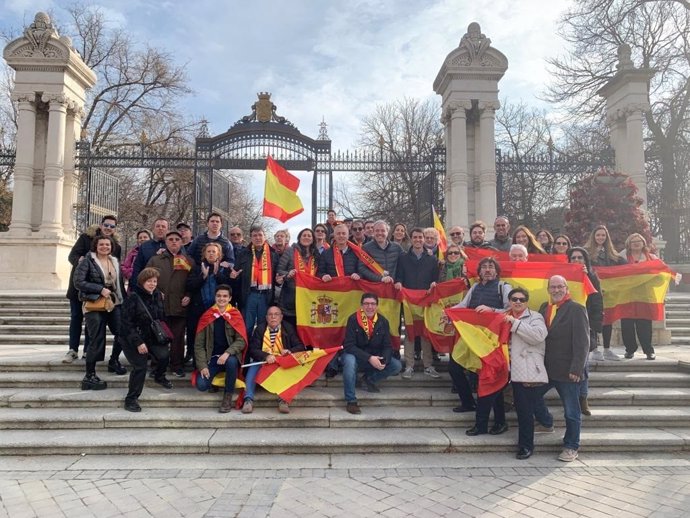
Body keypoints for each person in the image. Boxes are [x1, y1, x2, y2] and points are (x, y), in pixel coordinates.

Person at [450, 257, 512, 414]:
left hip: (489, 340)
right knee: (454, 367)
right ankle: (468, 402)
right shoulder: (475, 286)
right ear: (479, 272)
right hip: (471, 336)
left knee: (484, 374)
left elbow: (509, 310)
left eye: (491, 267)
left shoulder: (503, 287)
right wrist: (448, 313)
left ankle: (489, 409)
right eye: (484, 267)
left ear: (497, 271)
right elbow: (463, 305)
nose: (487, 270)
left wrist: (491, 309)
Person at [539, 275, 590, 462]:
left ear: (567, 288)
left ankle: (571, 446)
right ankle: (547, 422)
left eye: (560, 286)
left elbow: (583, 342)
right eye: (553, 287)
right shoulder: (545, 308)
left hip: (569, 371)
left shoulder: (576, 309)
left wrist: (577, 368)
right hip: (546, 369)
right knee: (531, 397)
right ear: (548, 289)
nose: (556, 290)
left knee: (571, 411)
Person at [64, 215, 123, 364]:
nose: (108, 228)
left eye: (112, 226)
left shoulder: (116, 246)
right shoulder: (86, 238)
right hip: (81, 288)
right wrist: (81, 261)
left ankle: (88, 350)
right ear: (101, 225)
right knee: (77, 317)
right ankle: (72, 350)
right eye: (106, 225)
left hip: (100, 292)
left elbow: (114, 268)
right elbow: (73, 255)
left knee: (94, 320)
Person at [73, 235, 126, 390]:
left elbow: (119, 285)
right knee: (97, 338)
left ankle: (114, 360)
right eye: (101, 244)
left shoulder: (114, 261)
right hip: (94, 303)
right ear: (95, 246)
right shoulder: (87, 261)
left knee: (122, 333)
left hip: (113, 302)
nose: (104, 247)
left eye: (107, 244)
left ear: (112, 246)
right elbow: (78, 282)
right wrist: (99, 289)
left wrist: (124, 300)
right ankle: (89, 375)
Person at [505, 287, 549, 459]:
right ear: (509, 301)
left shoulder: (535, 317)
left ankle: (526, 446)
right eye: (514, 299)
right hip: (505, 367)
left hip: (526, 368)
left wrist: (515, 323)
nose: (517, 302)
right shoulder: (503, 315)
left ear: (526, 302)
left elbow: (538, 336)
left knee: (524, 410)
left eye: (521, 300)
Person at [119, 268, 172, 412]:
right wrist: (138, 342)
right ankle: (131, 398)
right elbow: (126, 324)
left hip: (152, 335)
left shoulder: (157, 296)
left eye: (154, 281)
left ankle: (158, 375)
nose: (152, 284)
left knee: (164, 356)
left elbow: (161, 317)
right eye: (149, 281)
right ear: (142, 282)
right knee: (140, 366)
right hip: (132, 338)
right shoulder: (133, 298)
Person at [147, 231, 198, 377]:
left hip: (179, 305)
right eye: (170, 239)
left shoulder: (188, 260)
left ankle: (177, 365)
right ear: (166, 242)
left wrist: (189, 295)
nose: (174, 242)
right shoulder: (155, 260)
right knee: (158, 336)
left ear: (182, 242)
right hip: (159, 306)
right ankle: (157, 365)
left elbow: (193, 282)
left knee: (178, 338)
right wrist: (156, 292)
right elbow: (145, 278)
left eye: (177, 239)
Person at [342, 293, 402, 414]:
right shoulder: (353, 319)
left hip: (374, 357)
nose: (370, 307)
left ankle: (368, 379)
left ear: (377, 306)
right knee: (348, 361)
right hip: (357, 357)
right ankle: (351, 401)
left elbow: (387, 346)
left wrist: (383, 359)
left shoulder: (383, 321)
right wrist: (369, 358)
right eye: (366, 304)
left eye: (373, 304)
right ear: (362, 306)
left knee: (396, 365)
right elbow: (349, 346)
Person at [241, 306, 306, 414]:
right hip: (264, 361)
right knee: (252, 368)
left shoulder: (288, 328)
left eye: (276, 314)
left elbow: (300, 346)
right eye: (270, 315)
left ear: (281, 317)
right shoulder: (260, 329)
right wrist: (265, 356)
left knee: (286, 371)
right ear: (266, 317)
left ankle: (283, 400)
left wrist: (289, 351)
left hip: (281, 361)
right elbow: (253, 349)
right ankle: (248, 400)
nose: (273, 317)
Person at [194, 284, 248, 413]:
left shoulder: (235, 314)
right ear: (215, 297)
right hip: (212, 358)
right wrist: (202, 366)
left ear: (230, 298)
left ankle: (227, 396)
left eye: (225, 296)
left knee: (230, 362)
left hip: (230, 357)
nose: (221, 299)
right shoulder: (207, 316)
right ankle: (214, 381)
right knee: (201, 385)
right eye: (218, 296)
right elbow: (199, 345)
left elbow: (241, 341)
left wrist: (228, 353)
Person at [395, 228, 440, 379]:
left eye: (421, 237)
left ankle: (428, 365)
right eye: (415, 237)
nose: (418, 240)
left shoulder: (432, 259)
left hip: (425, 300)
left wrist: (434, 283)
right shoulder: (403, 257)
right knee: (409, 333)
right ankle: (409, 366)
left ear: (424, 239)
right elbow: (399, 275)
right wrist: (399, 283)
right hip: (408, 301)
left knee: (426, 333)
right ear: (411, 239)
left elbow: (435, 278)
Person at [568, 246, 603, 416]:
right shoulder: (563, 276)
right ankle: (572, 398)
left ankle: (583, 398)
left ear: (585, 260)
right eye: (573, 258)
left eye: (579, 258)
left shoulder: (592, 277)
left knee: (583, 364)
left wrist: (595, 325)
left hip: (585, 325)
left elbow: (597, 301)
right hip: (566, 325)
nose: (576, 261)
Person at [584, 225, 625, 360]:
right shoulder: (586, 252)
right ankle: (594, 349)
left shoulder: (613, 254)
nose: (600, 237)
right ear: (593, 237)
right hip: (592, 291)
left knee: (608, 320)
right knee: (593, 318)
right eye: (598, 235)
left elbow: (626, 267)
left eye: (603, 235)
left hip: (608, 293)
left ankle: (607, 349)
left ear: (606, 237)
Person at [232, 224, 279, 334]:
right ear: (250, 237)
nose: (258, 238)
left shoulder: (273, 254)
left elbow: (277, 276)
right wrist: (234, 276)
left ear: (265, 236)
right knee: (247, 326)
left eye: (260, 235)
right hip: (249, 294)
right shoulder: (243, 253)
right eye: (254, 235)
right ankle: (246, 350)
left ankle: (260, 350)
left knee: (263, 326)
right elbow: (236, 272)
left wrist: (279, 280)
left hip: (266, 295)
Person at [619, 233, 658, 360]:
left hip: (644, 297)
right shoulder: (621, 257)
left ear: (643, 243)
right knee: (627, 325)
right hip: (626, 296)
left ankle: (648, 350)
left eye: (639, 241)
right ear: (628, 244)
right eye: (633, 241)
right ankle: (629, 350)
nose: (636, 243)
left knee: (645, 324)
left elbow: (659, 274)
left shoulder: (651, 257)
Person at [276, 228, 318, 328]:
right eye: (304, 235)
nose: (306, 237)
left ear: (313, 239)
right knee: (290, 329)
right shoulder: (290, 251)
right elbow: (279, 269)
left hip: (309, 299)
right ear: (299, 238)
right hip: (290, 298)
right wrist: (287, 274)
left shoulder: (316, 255)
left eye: (309, 236)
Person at [132, 218, 169, 283]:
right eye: (158, 226)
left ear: (167, 230)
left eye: (163, 226)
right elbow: (137, 268)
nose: (160, 228)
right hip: (148, 285)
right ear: (153, 229)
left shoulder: (172, 245)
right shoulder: (145, 246)